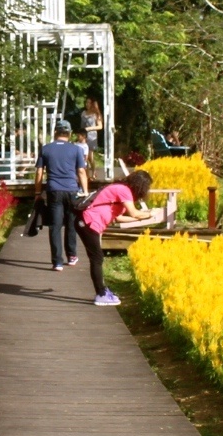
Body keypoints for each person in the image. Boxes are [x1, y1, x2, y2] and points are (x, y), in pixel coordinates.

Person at [77, 169, 155, 306]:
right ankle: (100, 294)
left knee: (97, 257)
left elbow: (119, 218)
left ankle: (102, 291)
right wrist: (149, 214)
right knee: (97, 257)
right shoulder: (123, 190)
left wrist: (139, 219)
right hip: (89, 221)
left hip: (91, 222)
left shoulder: (122, 190)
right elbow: (134, 213)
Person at [34, 119, 89, 272]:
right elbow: (81, 171)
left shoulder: (45, 149)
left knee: (55, 226)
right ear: (70, 134)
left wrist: (38, 192)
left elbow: (39, 172)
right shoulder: (76, 149)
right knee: (71, 223)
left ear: (55, 133)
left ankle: (57, 262)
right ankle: (72, 256)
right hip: (72, 190)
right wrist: (85, 191)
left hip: (53, 190)